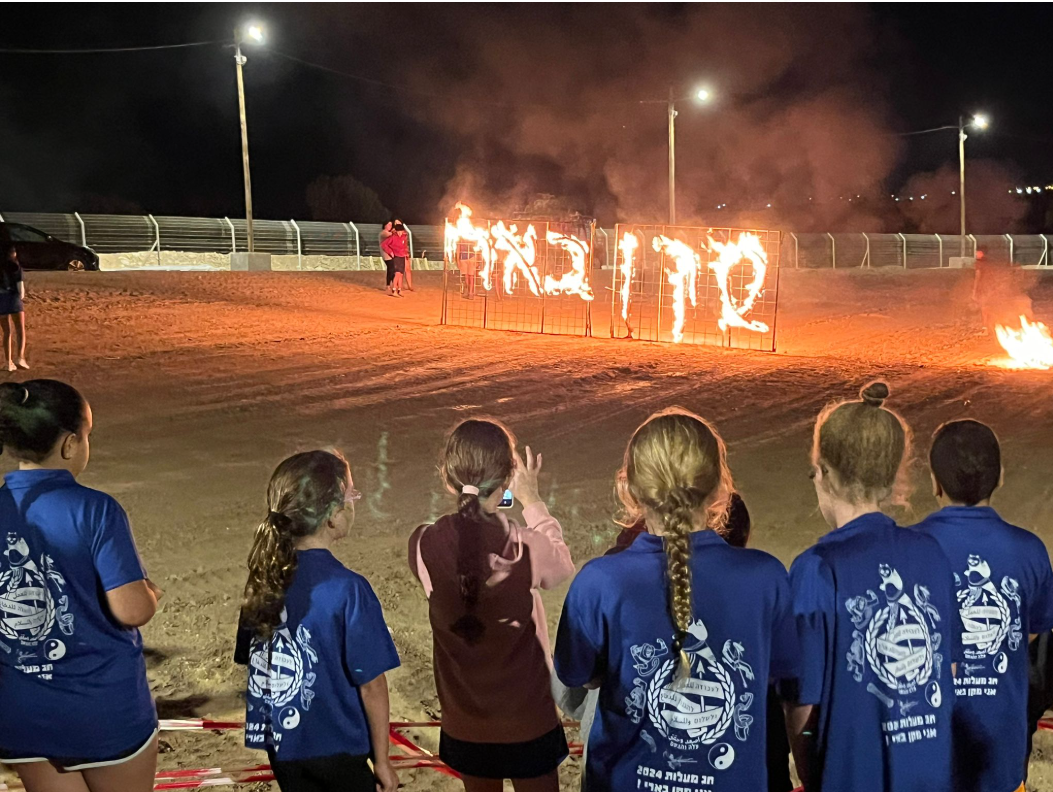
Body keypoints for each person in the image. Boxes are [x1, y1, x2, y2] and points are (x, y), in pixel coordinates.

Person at [554, 408, 799, 792]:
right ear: (721, 489)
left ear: (629, 490)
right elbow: (780, 677)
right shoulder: (766, 578)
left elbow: (576, 677)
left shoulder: (599, 581)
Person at [786, 382, 958, 792]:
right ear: (894, 475)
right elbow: (946, 670)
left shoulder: (817, 570)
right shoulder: (931, 554)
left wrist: (813, 773)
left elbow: (801, 702)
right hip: (929, 775)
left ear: (823, 473)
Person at [0, 379, 161, 792]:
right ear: (70, 444)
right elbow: (131, 610)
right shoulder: (96, 509)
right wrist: (147, 593)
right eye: (87, 435)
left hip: (22, 709)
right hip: (101, 709)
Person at [408, 419, 574, 792]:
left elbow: (473, 522)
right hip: (528, 719)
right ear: (507, 478)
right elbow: (562, 566)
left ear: (448, 480)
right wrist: (531, 501)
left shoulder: (422, 544)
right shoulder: (526, 547)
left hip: (465, 722)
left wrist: (497, 496)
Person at [235, 450, 399, 792]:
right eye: (351, 494)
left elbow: (252, 660)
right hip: (338, 749)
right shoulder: (349, 589)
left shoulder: (262, 580)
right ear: (333, 516)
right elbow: (372, 685)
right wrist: (382, 761)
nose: (354, 502)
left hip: (282, 747)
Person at [912, 419, 1053, 792]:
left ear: (935, 483)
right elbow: (1032, 630)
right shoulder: (1030, 551)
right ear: (1001, 476)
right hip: (1000, 760)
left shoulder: (907, 549)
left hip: (924, 753)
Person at [1, 243, 28, 371]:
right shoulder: (16, 267)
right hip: (13, 298)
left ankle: (8, 362)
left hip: (0, 299)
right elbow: (21, 290)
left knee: (6, 331)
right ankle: (20, 357)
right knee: (20, 329)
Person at [381, 222, 410, 297]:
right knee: (397, 274)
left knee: (401, 274)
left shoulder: (404, 237)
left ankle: (399, 290)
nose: (400, 233)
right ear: (396, 231)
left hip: (402, 256)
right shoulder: (393, 237)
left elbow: (405, 246)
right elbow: (384, 244)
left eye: (401, 231)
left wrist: (406, 253)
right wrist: (390, 252)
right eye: (398, 231)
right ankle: (394, 290)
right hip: (396, 256)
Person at [379, 220, 395, 295]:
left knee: (391, 269)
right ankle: (388, 285)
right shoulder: (383, 233)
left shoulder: (387, 233)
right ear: (385, 225)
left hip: (390, 253)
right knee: (391, 269)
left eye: (391, 225)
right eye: (389, 225)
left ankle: (392, 284)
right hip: (386, 254)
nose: (390, 226)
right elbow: (391, 235)